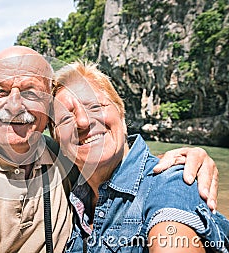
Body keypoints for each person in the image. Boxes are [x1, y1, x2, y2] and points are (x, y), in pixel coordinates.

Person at [0, 46, 219, 252]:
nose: (14, 106)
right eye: (0, 92)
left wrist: (187, 163)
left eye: (30, 92)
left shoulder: (168, 180)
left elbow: (171, 226)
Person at [51, 60, 229, 252]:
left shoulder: (172, 181)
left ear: (122, 117)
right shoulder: (65, 193)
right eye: (65, 118)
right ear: (56, 139)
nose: (83, 121)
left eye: (95, 106)